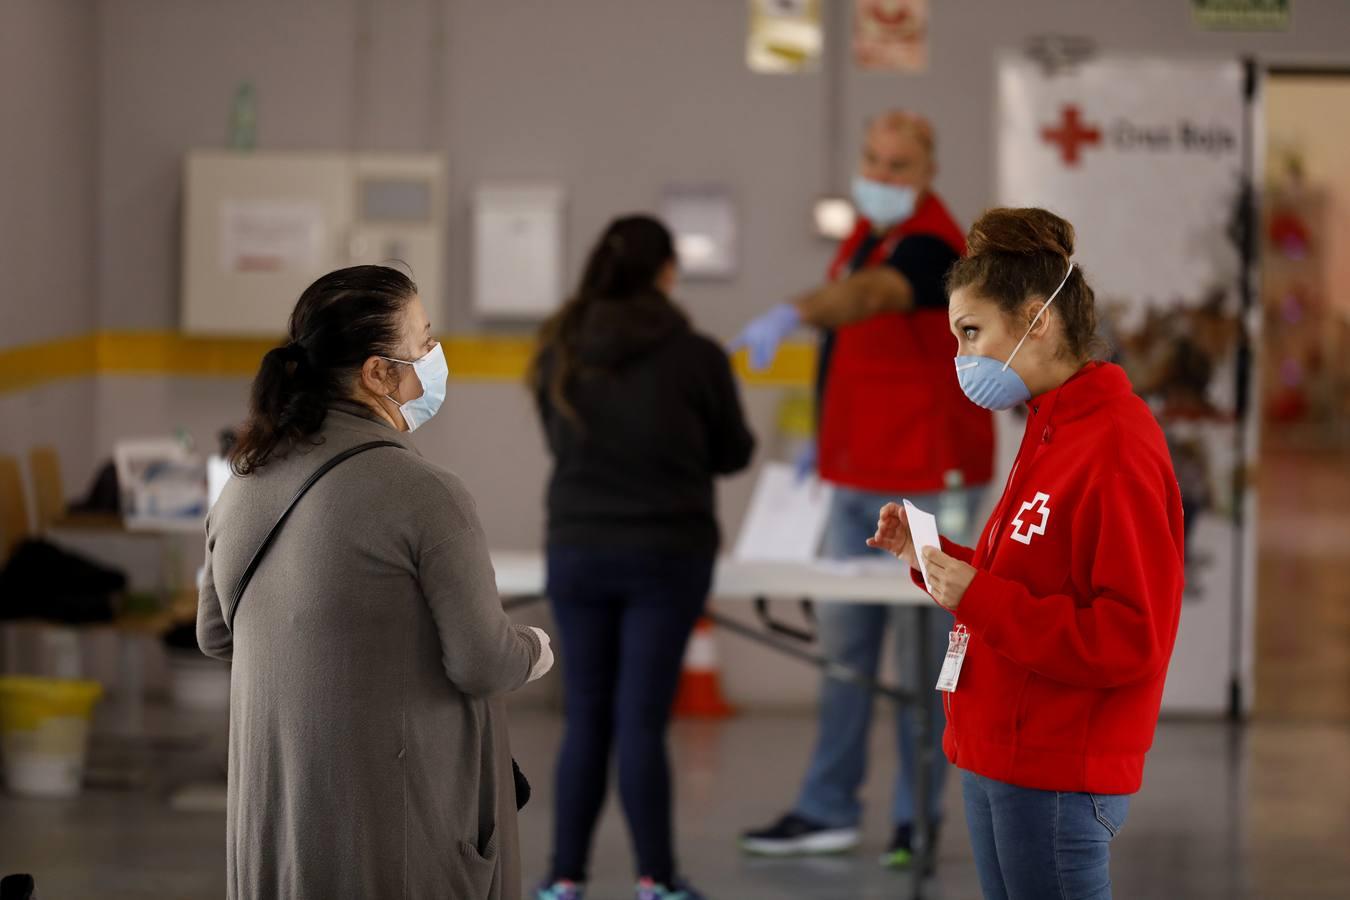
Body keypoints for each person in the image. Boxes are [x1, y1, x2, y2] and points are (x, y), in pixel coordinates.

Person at [198, 265, 553, 900]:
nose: (435, 358)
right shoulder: (427, 493)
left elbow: (217, 637)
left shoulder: (243, 484)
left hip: (274, 832)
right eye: (424, 343)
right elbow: (482, 660)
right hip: (397, 835)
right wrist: (536, 647)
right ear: (378, 374)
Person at [867, 208, 1185, 899]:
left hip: (1056, 769)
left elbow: (1130, 637)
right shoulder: (1048, 427)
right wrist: (929, 557)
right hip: (998, 753)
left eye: (971, 332)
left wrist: (974, 594)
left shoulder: (1115, 445)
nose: (961, 357)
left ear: (1037, 320)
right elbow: (1026, 580)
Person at [736, 111, 994, 870]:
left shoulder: (931, 244)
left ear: (927, 171)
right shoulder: (867, 234)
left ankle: (918, 821)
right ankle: (828, 809)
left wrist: (795, 312)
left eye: (898, 167)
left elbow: (874, 299)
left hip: (923, 483)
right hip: (853, 478)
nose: (881, 179)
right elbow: (855, 348)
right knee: (846, 660)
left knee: (924, 663)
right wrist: (826, 436)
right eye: (873, 163)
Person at [530, 216, 756, 900]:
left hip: (578, 547)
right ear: (666, 272)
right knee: (641, 721)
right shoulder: (694, 354)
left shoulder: (560, 348)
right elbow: (733, 452)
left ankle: (563, 878)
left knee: (586, 715)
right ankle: (656, 879)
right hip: (668, 553)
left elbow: (557, 441)